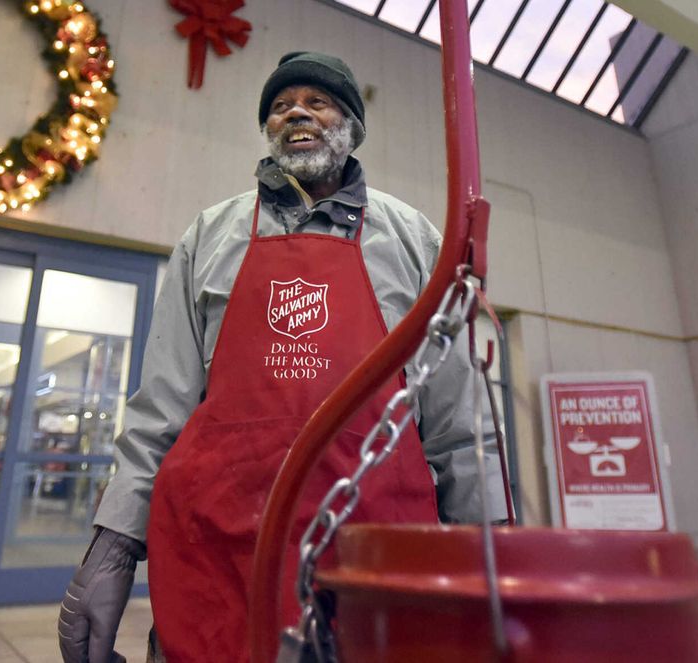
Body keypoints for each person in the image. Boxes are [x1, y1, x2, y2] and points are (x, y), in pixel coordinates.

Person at [58, 52, 506, 663]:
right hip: (216, 553)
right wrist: (111, 551)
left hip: (377, 557)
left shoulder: (415, 239)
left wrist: (493, 552)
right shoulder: (208, 237)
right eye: (279, 105)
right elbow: (159, 410)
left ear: (350, 126)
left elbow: (460, 424)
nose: (295, 111)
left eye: (317, 102)